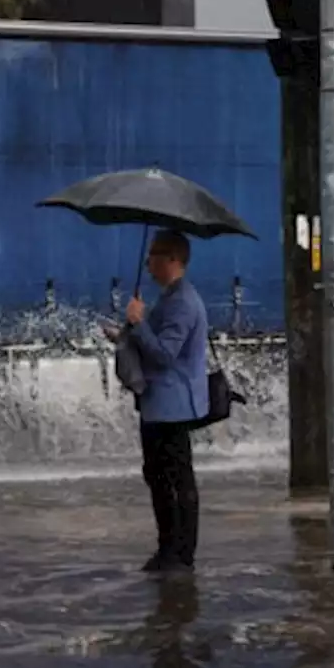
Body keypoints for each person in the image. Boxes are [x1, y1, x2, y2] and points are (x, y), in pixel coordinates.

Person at [125, 228, 210, 573]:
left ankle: (180, 553)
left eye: (154, 256)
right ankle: (167, 549)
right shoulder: (170, 297)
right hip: (159, 405)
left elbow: (164, 354)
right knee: (158, 476)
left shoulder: (182, 303)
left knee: (176, 479)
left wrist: (138, 323)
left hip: (172, 406)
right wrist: (128, 332)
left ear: (173, 260)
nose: (148, 264)